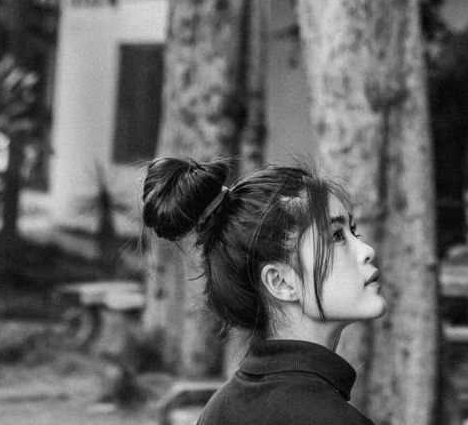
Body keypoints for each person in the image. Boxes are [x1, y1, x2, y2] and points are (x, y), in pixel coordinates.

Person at [141, 156, 386, 425]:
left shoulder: (218, 411)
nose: (366, 250)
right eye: (337, 236)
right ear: (281, 282)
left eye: (353, 231)